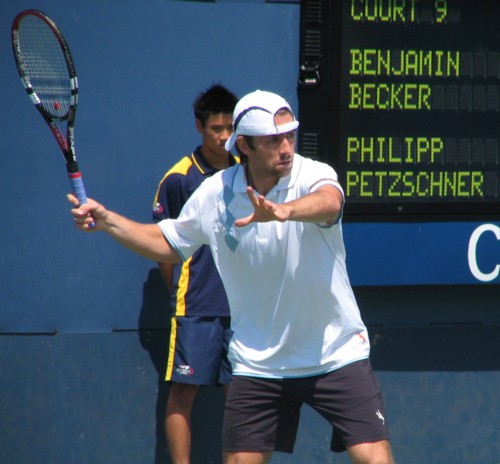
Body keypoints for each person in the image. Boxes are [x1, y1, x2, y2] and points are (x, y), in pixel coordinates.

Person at [69, 90, 395, 464]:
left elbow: (330, 202)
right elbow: (168, 243)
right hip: (259, 362)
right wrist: (109, 221)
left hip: (335, 351)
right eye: (273, 140)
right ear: (245, 145)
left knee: (373, 458)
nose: (286, 147)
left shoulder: (313, 174)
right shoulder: (214, 194)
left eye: (289, 136)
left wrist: (284, 211)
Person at [152, 84, 238, 464]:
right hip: (196, 309)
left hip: (244, 310)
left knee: (242, 400)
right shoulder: (179, 179)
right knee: (182, 395)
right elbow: (163, 249)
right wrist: (183, 295)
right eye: (216, 129)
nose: (224, 137)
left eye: (229, 129)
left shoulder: (247, 173)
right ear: (199, 127)